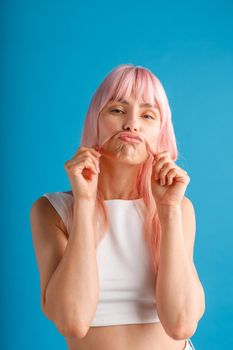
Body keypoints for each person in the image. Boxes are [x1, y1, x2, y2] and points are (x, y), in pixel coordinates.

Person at [30, 64, 205, 350]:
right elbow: (72, 320)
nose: (132, 124)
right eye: (117, 110)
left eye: (147, 115)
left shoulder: (178, 209)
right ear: (94, 122)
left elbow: (181, 324)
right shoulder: (51, 211)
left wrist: (169, 211)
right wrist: (85, 202)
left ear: (160, 134)